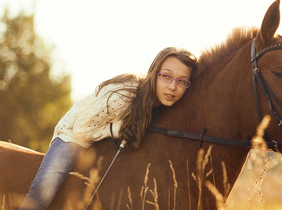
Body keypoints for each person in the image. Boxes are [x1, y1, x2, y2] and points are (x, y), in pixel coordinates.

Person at [19, 47, 197, 210]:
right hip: (72, 136)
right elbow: (82, 129)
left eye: (182, 81)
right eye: (166, 76)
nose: (173, 87)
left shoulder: (161, 104)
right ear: (154, 73)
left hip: (104, 141)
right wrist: (122, 127)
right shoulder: (126, 94)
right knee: (42, 193)